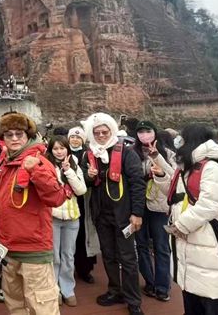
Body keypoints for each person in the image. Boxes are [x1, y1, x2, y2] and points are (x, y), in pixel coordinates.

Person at [0, 112, 66, 315]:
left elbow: (56, 198)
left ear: (28, 135)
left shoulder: (38, 161)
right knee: (15, 302)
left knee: (41, 305)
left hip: (33, 249)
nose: (14, 138)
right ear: (3, 138)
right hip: (8, 247)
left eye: (19, 134)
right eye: (9, 135)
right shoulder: (4, 163)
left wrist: (37, 171)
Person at [155, 125, 218, 314]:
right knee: (193, 294)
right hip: (188, 240)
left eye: (182, 139)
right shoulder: (188, 167)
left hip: (205, 237)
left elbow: (210, 204)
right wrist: (160, 176)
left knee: (213, 294)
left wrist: (181, 225)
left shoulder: (211, 167)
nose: (178, 143)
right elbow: (176, 195)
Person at [82, 112, 145, 315]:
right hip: (101, 214)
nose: (101, 135)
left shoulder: (127, 153)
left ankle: (133, 300)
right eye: (97, 132)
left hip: (123, 214)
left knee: (128, 258)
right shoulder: (90, 154)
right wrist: (89, 176)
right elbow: (85, 183)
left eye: (104, 132)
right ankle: (115, 290)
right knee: (108, 255)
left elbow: (137, 183)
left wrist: (137, 213)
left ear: (112, 131)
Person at [132, 121, 175, 302]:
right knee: (141, 245)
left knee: (161, 246)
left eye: (148, 131)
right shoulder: (132, 153)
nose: (145, 134)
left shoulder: (168, 153)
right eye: (141, 131)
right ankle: (149, 282)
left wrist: (157, 156)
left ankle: (162, 286)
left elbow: (174, 176)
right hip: (139, 205)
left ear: (155, 132)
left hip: (159, 205)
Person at [46, 136, 87, 307]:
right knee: (54, 256)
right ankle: (54, 289)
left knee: (69, 255)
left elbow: (81, 190)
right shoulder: (47, 166)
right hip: (53, 216)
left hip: (72, 216)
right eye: (55, 148)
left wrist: (68, 171)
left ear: (67, 150)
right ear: (50, 150)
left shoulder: (74, 164)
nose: (59, 152)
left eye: (62, 148)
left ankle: (68, 290)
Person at [67, 126, 98, 283]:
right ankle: (67, 269)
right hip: (67, 200)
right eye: (72, 137)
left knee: (83, 235)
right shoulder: (63, 153)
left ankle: (84, 269)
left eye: (78, 137)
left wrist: (89, 177)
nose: (75, 140)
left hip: (84, 199)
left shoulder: (88, 155)